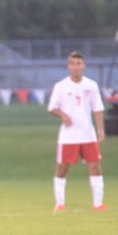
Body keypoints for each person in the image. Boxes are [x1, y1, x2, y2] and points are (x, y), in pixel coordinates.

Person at [48, 51, 106, 212]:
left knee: (95, 166)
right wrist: (62, 115)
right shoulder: (61, 86)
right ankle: (59, 203)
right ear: (69, 66)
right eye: (72, 64)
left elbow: (98, 109)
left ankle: (98, 203)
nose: (76, 67)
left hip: (88, 134)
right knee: (63, 167)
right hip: (68, 136)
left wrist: (100, 129)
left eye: (79, 63)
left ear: (84, 65)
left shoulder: (91, 85)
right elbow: (52, 107)